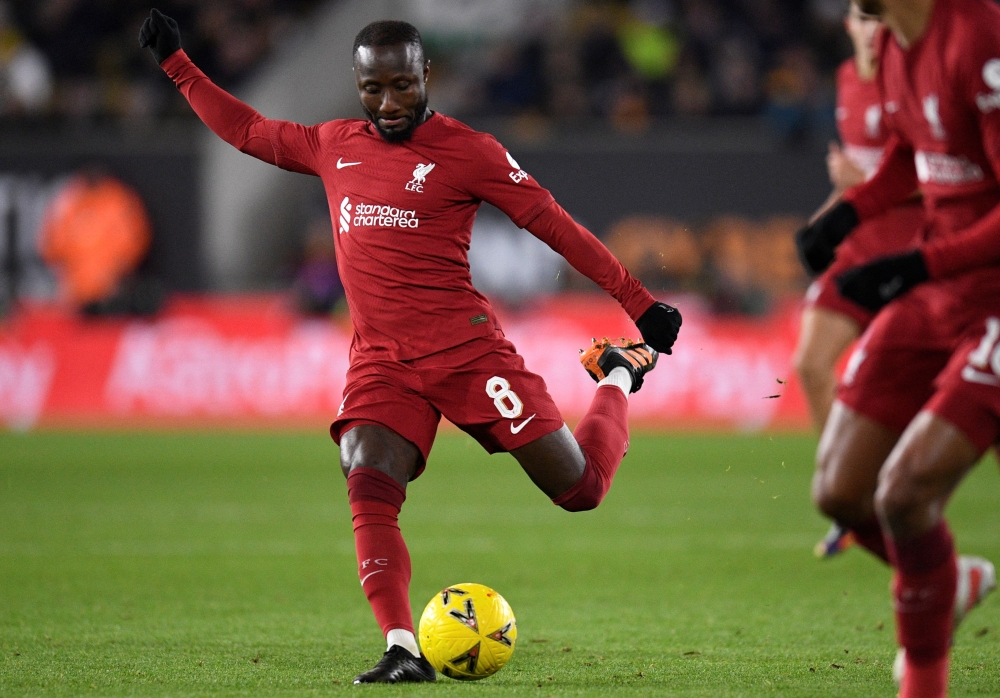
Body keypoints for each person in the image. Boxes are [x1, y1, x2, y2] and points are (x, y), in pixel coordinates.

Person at [138, 9, 681, 684]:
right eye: (373, 90)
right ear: (357, 86)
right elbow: (248, 131)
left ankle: (617, 378)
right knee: (365, 469)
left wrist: (638, 303)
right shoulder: (332, 143)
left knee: (580, 491)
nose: (388, 103)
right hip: (382, 361)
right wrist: (178, 66)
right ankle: (403, 645)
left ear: (426, 75)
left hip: (467, 354)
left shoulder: (469, 151)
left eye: (401, 86)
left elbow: (555, 226)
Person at [797, 0, 1000, 692]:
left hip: (992, 297)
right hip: (937, 289)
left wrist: (917, 265)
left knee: (906, 492)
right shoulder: (891, 47)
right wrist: (849, 215)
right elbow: (914, 156)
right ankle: (955, 579)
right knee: (841, 491)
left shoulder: (981, 37)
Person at [793, 2, 924, 560]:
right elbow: (860, 176)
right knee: (809, 365)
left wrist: (858, 180)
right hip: (859, 248)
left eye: (877, 18)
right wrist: (821, 223)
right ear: (850, 26)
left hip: (916, 251)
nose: (872, 28)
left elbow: (938, 174)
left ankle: (886, 494)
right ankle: (850, 500)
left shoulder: (914, 71)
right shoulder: (848, 80)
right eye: (861, 18)